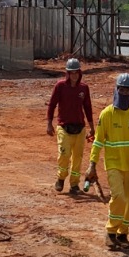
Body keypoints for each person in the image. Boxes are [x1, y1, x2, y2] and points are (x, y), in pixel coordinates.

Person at [84, 73, 129, 249]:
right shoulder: (106, 114)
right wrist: (92, 164)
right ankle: (110, 232)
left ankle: (122, 234)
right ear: (116, 90)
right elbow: (98, 141)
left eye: (127, 90)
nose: (124, 93)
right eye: (121, 89)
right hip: (114, 164)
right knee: (119, 198)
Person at [46, 58, 95, 194]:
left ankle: (74, 184)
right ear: (67, 73)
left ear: (79, 73)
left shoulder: (84, 88)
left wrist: (92, 127)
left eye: (76, 72)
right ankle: (61, 178)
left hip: (79, 128)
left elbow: (88, 108)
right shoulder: (60, 86)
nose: (74, 75)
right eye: (71, 73)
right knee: (64, 154)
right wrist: (49, 124)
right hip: (64, 127)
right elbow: (52, 104)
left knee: (77, 158)